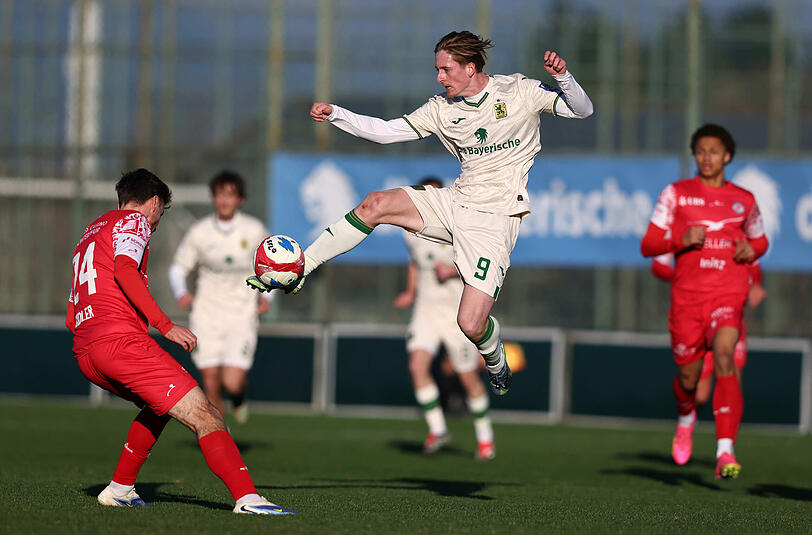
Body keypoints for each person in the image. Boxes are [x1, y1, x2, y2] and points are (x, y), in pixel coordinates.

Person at [247, 30, 593, 397]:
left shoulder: (519, 91)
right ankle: (304, 267)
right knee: (375, 204)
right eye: (437, 70)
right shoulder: (441, 109)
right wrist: (337, 114)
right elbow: (385, 132)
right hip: (455, 202)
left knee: (471, 323)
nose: (439, 78)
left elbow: (582, 109)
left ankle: (496, 362)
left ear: (470, 68)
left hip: (495, 219)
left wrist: (563, 77)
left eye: (445, 70)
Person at [66, 168, 295, 514]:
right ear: (154, 203)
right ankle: (248, 498)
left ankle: (120, 488)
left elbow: (71, 314)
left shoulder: (91, 232)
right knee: (206, 413)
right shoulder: (134, 222)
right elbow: (125, 270)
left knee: (160, 406)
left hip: (87, 351)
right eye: (161, 212)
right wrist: (165, 325)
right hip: (122, 344)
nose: (157, 222)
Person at [641, 124, 769, 479]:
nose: (706, 157)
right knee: (689, 380)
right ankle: (685, 418)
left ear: (727, 156)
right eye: (700, 151)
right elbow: (648, 245)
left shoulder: (744, 200)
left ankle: (725, 451)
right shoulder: (676, 194)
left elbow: (760, 241)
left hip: (727, 293)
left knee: (726, 355)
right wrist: (680, 240)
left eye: (713, 151)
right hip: (688, 300)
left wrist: (751, 249)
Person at [393, 176, 495, 460]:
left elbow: (481, 267)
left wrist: (452, 271)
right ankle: (437, 429)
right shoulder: (411, 230)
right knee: (417, 365)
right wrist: (410, 292)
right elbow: (414, 263)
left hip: (456, 313)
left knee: (467, 376)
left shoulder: (460, 228)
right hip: (426, 310)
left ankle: (485, 438)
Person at [169, 170, 271, 423]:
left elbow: (274, 266)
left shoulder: (254, 229)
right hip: (206, 314)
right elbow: (178, 268)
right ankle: (220, 437)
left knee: (232, 382)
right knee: (211, 382)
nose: (225, 200)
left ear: (240, 199)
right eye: (219, 195)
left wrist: (268, 297)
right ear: (213, 198)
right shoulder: (200, 231)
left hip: (241, 314)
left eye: (230, 195)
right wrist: (181, 292)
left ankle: (238, 398)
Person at [651, 253, 766, 466]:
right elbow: (658, 264)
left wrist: (755, 284)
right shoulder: (684, 233)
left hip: (727, 313)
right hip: (696, 313)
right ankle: (686, 419)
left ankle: (726, 450)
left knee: (731, 372)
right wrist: (686, 277)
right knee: (699, 393)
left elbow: (752, 257)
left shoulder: (735, 232)